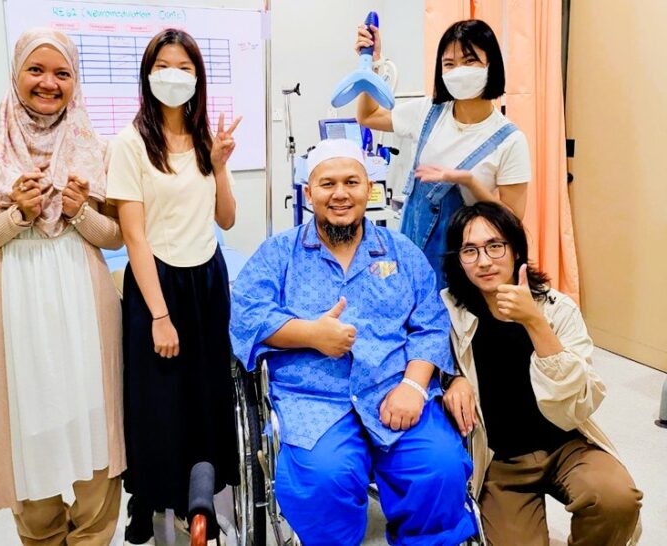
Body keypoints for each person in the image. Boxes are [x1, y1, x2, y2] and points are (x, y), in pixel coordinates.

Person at [230, 138, 478, 546]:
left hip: (396, 391)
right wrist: (310, 334)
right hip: (315, 401)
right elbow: (246, 317)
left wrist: (414, 387)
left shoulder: (401, 253)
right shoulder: (279, 255)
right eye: (327, 184)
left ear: (369, 189)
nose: (340, 194)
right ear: (309, 192)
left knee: (440, 468)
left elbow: (431, 326)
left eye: (351, 182)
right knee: (323, 480)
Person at [0, 28, 125, 544]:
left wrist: (79, 212)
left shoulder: (95, 147)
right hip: (15, 323)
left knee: (95, 442)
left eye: (62, 73)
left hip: (85, 318)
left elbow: (115, 235)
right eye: (36, 70)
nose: (49, 83)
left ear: (75, 81)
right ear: (15, 74)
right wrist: (16, 216)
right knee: (29, 447)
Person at [105, 29, 241, 546]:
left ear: (198, 78)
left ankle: (195, 497)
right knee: (158, 399)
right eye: (164, 66)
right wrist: (160, 316)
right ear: (147, 75)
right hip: (156, 281)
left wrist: (220, 166)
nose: (174, 76)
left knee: (204, 394)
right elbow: (134, 236)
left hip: (207, 277)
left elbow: (226, 219)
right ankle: (148, 496)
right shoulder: (130, 143)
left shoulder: (206, 140)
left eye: (185, 67)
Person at [439, 202, 642, 546]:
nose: (484, 261)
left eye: (495, 246)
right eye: (470, 250)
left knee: (616, 499)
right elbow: (427, 364)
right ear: (458, 259)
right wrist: (452, 379)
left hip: (566, 443)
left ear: (516, 250)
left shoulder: (557, 308)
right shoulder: (448, 311)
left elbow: (582, 400)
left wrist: (534, 321)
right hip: (501, 461)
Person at [356, 19, 531, 288]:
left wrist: (469, 182)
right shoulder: (428, 112)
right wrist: (371, 66)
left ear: (491, 64)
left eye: (469, 60)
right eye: (449, 64)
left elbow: (512, 219)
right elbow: (367, 116)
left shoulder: (510, 140)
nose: (458, 71)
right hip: (412, 254)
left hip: (467, 268)